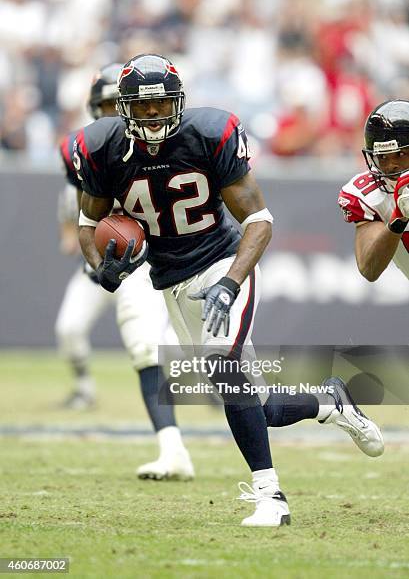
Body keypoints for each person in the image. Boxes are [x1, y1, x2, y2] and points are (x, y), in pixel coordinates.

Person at [73, 54, 384, 527]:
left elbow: (259, 221)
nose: (154, 116)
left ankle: (270, 497)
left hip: (221, 261)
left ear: (179, 103)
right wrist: (102, 270)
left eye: (162, 105)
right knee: (262, 406)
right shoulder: (102, 147)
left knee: (223, 368)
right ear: (123, 109)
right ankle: (330, 401)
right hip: (169, 280)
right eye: (143, 106)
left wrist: (228, 282)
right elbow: (89, 223)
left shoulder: (208, 134)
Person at [56, 63, 194, 481]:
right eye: (107, 104)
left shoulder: (161, 143)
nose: (116, 111)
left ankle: (173, 449)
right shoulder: (80, 147)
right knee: (69, 328)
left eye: (122, 103)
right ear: (93, 108)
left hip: (143, 256)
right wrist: (91, 250)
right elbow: (79, 207)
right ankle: (84, 390)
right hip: (102, 254)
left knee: (146, 345)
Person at [338, 99, 409, 282]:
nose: (391, 165)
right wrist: (398, 217)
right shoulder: (369, 194)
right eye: (382, 157)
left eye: (400, 154)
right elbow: (369, 268)